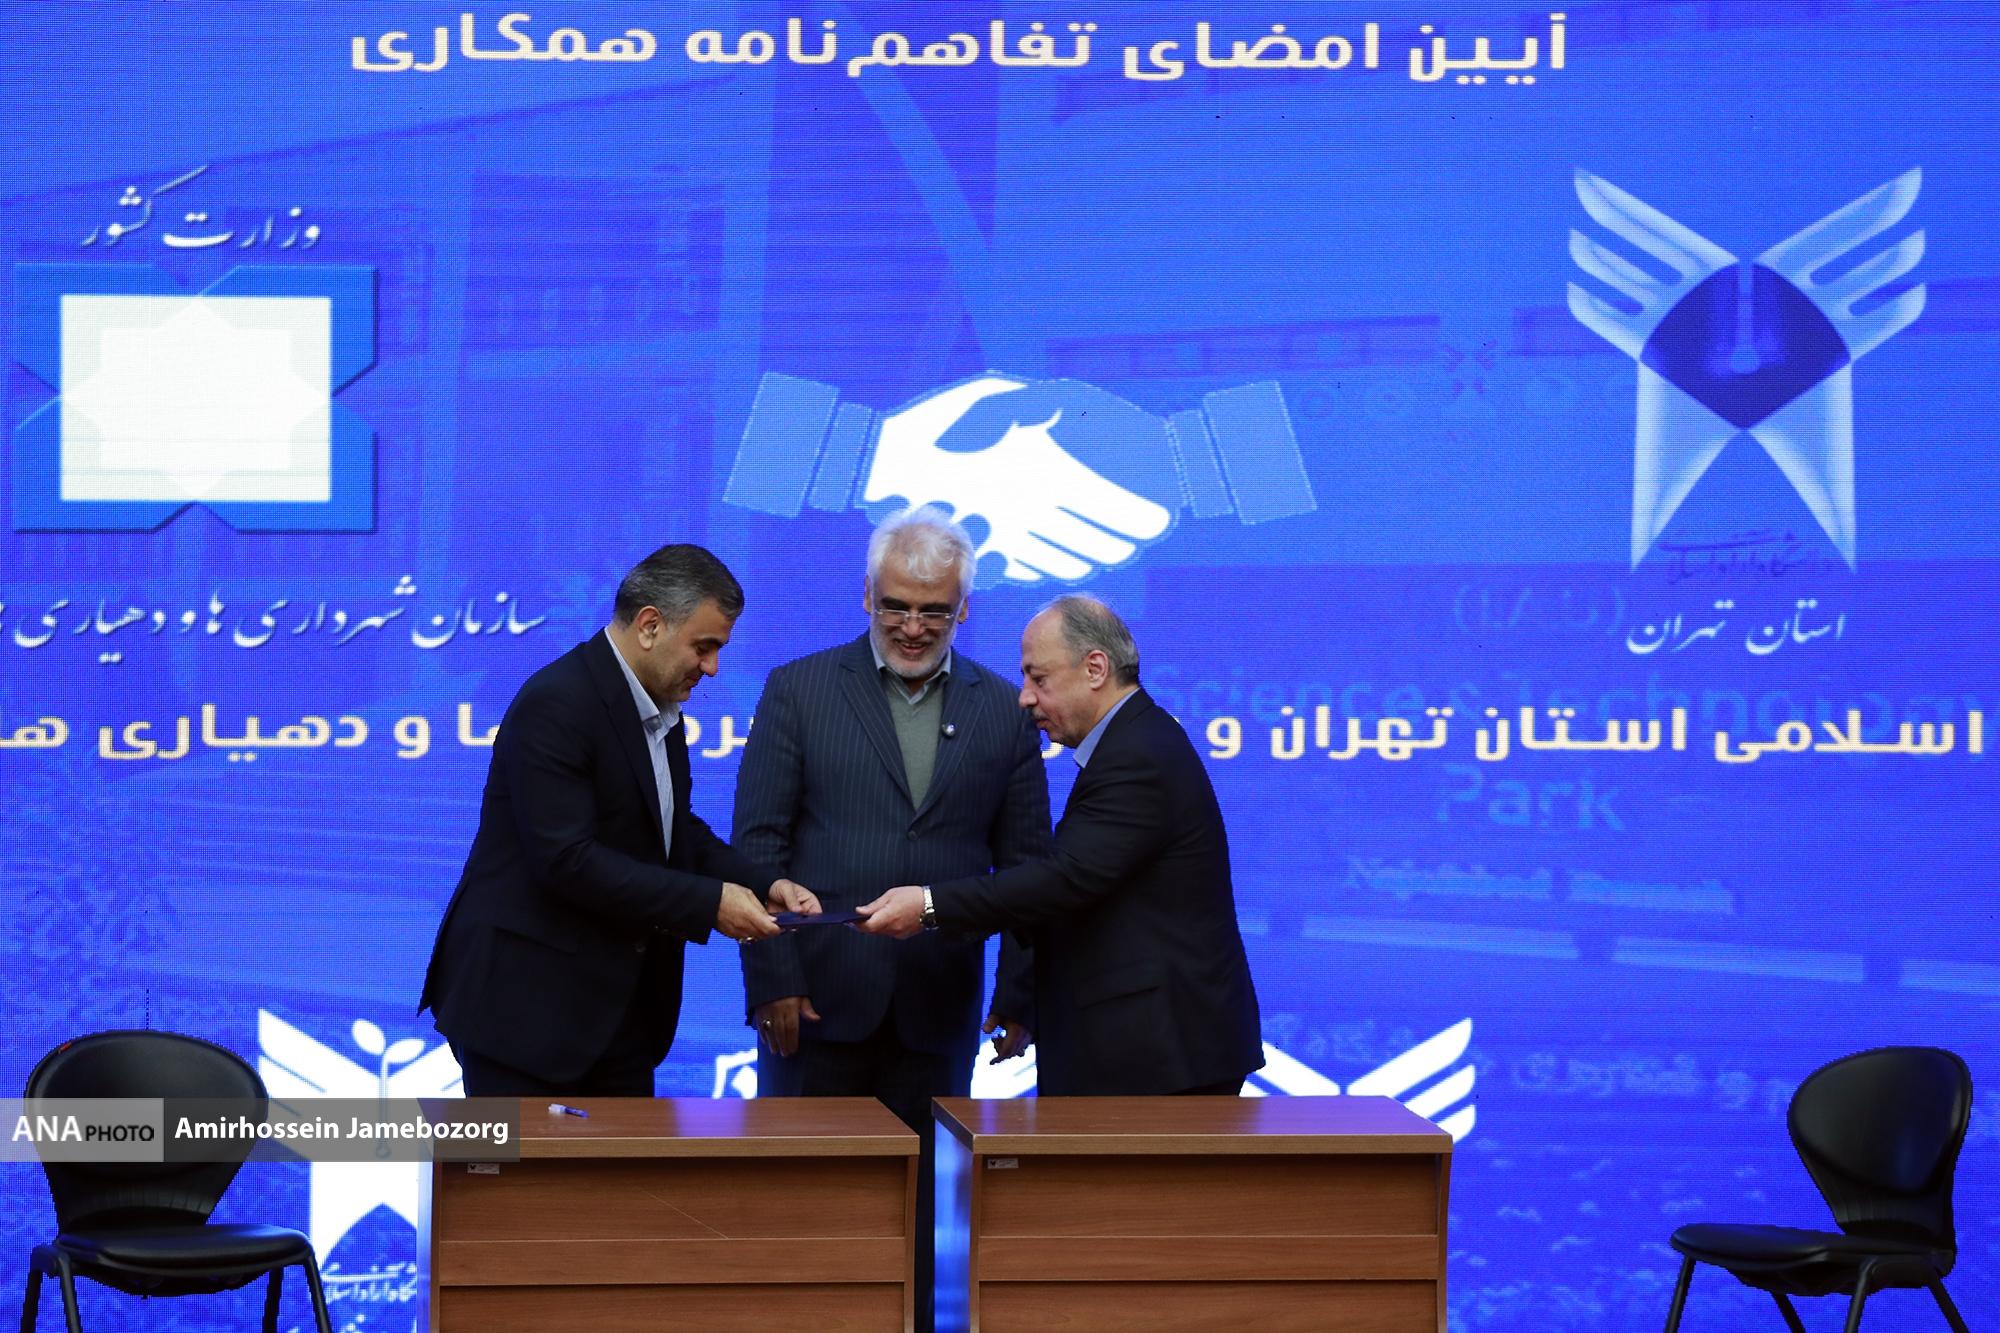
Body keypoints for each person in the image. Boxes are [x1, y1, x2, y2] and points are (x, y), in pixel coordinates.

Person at [733, 506, 1051, 1327]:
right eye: (896, 606)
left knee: (919, 1232)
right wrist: (771, 976)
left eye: (933, 610)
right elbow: (757, 847)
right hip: (812, 1006)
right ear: (866, 596)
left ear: (964, 608)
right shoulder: (798, 689)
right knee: (803, 1221)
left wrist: (1019, 993)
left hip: (936, 1010)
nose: (913, 626)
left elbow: (1028, 869)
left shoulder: (1003, 710)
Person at [420, 543, 817, 1096]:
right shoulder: (556, 703)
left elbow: (673, 830)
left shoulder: (660, 707)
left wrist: (762, 883)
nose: (712, 668)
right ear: (650, 626)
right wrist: (710, 903)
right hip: (524, 1020)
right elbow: (567, 861)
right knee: (525, 1161)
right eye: (703, 647)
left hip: (618, 1020)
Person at [858, 594, 1263, 1096]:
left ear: (1095, 669)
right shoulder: (1133, 741)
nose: (1025, 698)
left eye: (1039, 679)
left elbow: (1062, 880)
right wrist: (1022, 992)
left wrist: (929, 905)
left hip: (1160, 1055)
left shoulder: (1138, 755)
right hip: (1144, 1045)